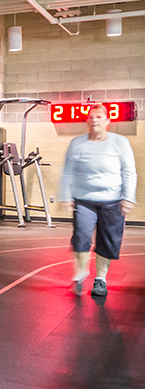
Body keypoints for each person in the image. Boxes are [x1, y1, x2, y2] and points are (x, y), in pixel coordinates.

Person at [59, 103, 137, 297]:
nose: (94, 120)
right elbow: (67, 171)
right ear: (87, 121)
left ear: (107, 121)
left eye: (99, 117)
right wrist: (64, 196)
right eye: (91, 117)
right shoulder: (77, 143)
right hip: (84, 199)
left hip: (113, 200)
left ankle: (100, 280)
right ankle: (80, 274)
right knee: (81, 237)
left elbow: (129, 172)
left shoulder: (120, 142)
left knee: (107, 241)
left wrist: (128, 197)